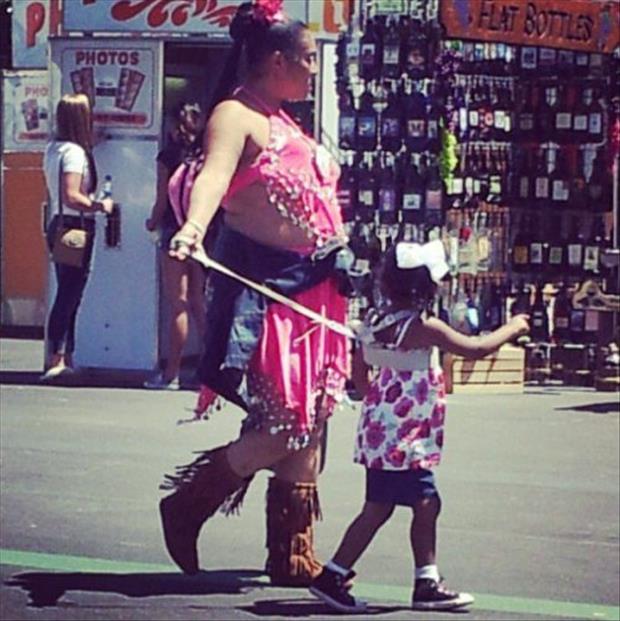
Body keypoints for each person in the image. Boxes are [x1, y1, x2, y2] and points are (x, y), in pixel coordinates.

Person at [158, 0, 349, 586]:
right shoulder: (235, 115)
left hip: (318, 293)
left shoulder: (286, 120)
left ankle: (292, 553)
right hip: (271, 293)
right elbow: (214, 177)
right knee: (285, 424)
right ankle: (189, 501)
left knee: (312, 419)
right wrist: (193, 228)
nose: (314, 69)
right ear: (276, 60)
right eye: (307, 58)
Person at [309, 240, 530, 613]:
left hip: (381, 430)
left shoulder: (374, 323)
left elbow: (360, 373)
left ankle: (413, 579)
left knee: (387, 505)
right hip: (407, 436)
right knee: (420, 502)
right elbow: (475, 349)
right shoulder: (424, 326)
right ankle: (351, 576)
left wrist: (380, 399)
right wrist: (513, 326)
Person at [41, 94, 113, 382]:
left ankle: (63, 357)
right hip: (75, 227)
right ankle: (57, 358)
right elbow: (72, 195)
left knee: (68, 291)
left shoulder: (55, 148)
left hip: (60, 223)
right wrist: (100, 205)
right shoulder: (74, 153)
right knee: (69, 294)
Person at [144, 103, 207, 390]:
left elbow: (162, 200)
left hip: (173, 232)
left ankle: (172, 373)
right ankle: (212, 369)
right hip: (200, 234)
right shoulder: (205, 156)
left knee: (178, 304)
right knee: (199, 303)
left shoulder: (168, 156)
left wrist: (151, 222)